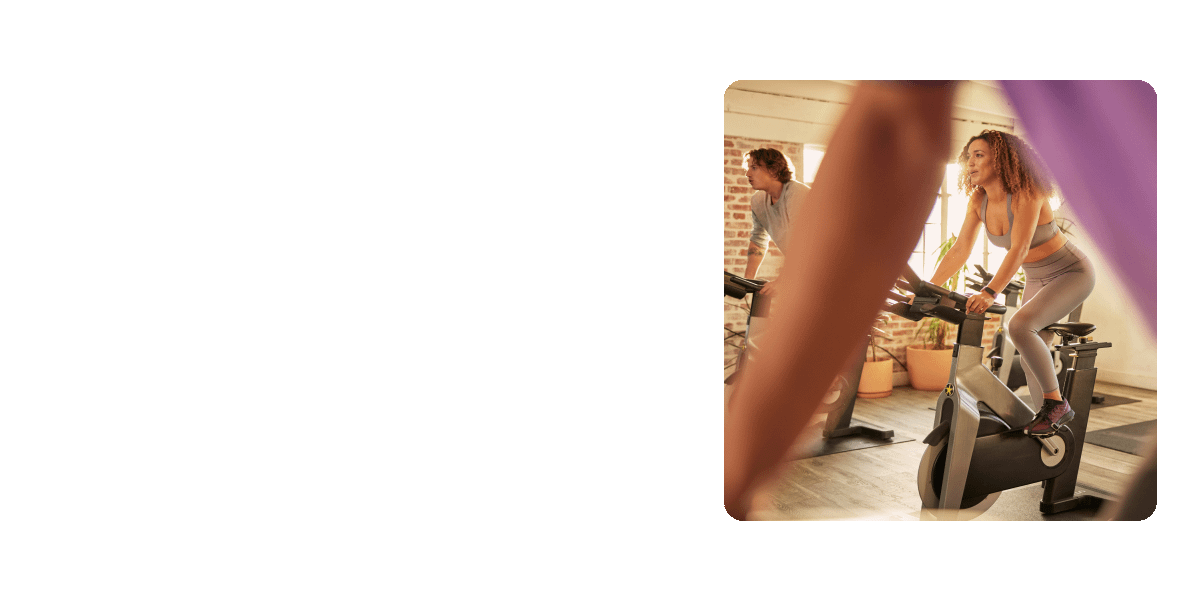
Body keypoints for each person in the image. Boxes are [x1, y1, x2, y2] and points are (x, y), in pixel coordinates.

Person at [927, 129, 1095, 437]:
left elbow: (1020, 247)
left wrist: (990, 291)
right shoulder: (979, 199)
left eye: (979, 155)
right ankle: (1049, 429)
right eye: (969, 156)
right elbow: (961, 248)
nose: (970, 163)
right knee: (1031, 353)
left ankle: (1057, 405)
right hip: (1036, 277)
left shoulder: (1027, 192)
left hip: (1071, 273)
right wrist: (930, 289)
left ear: (1001, 160)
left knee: (1019, 326)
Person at [742, 149, 810, 296]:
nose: (747, 173)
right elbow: (758, 241)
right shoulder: (758, 201)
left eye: (754, 167)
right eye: (748, 168)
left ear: (773, 170)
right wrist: (747, 280)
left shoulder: (797, 193)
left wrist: (782, 281)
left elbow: (803, 243)